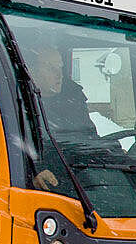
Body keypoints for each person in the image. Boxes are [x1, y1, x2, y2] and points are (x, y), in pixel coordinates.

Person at [25, 44, 98, 189]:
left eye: (60, 68)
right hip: (48, 187)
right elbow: (12, 154)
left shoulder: (73, 103)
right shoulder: (18, 107)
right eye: (51, 68)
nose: (59, 74)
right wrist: (31, 175)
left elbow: (90, 139)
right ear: (31, 71)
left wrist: (111, 153)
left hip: (81, 181)